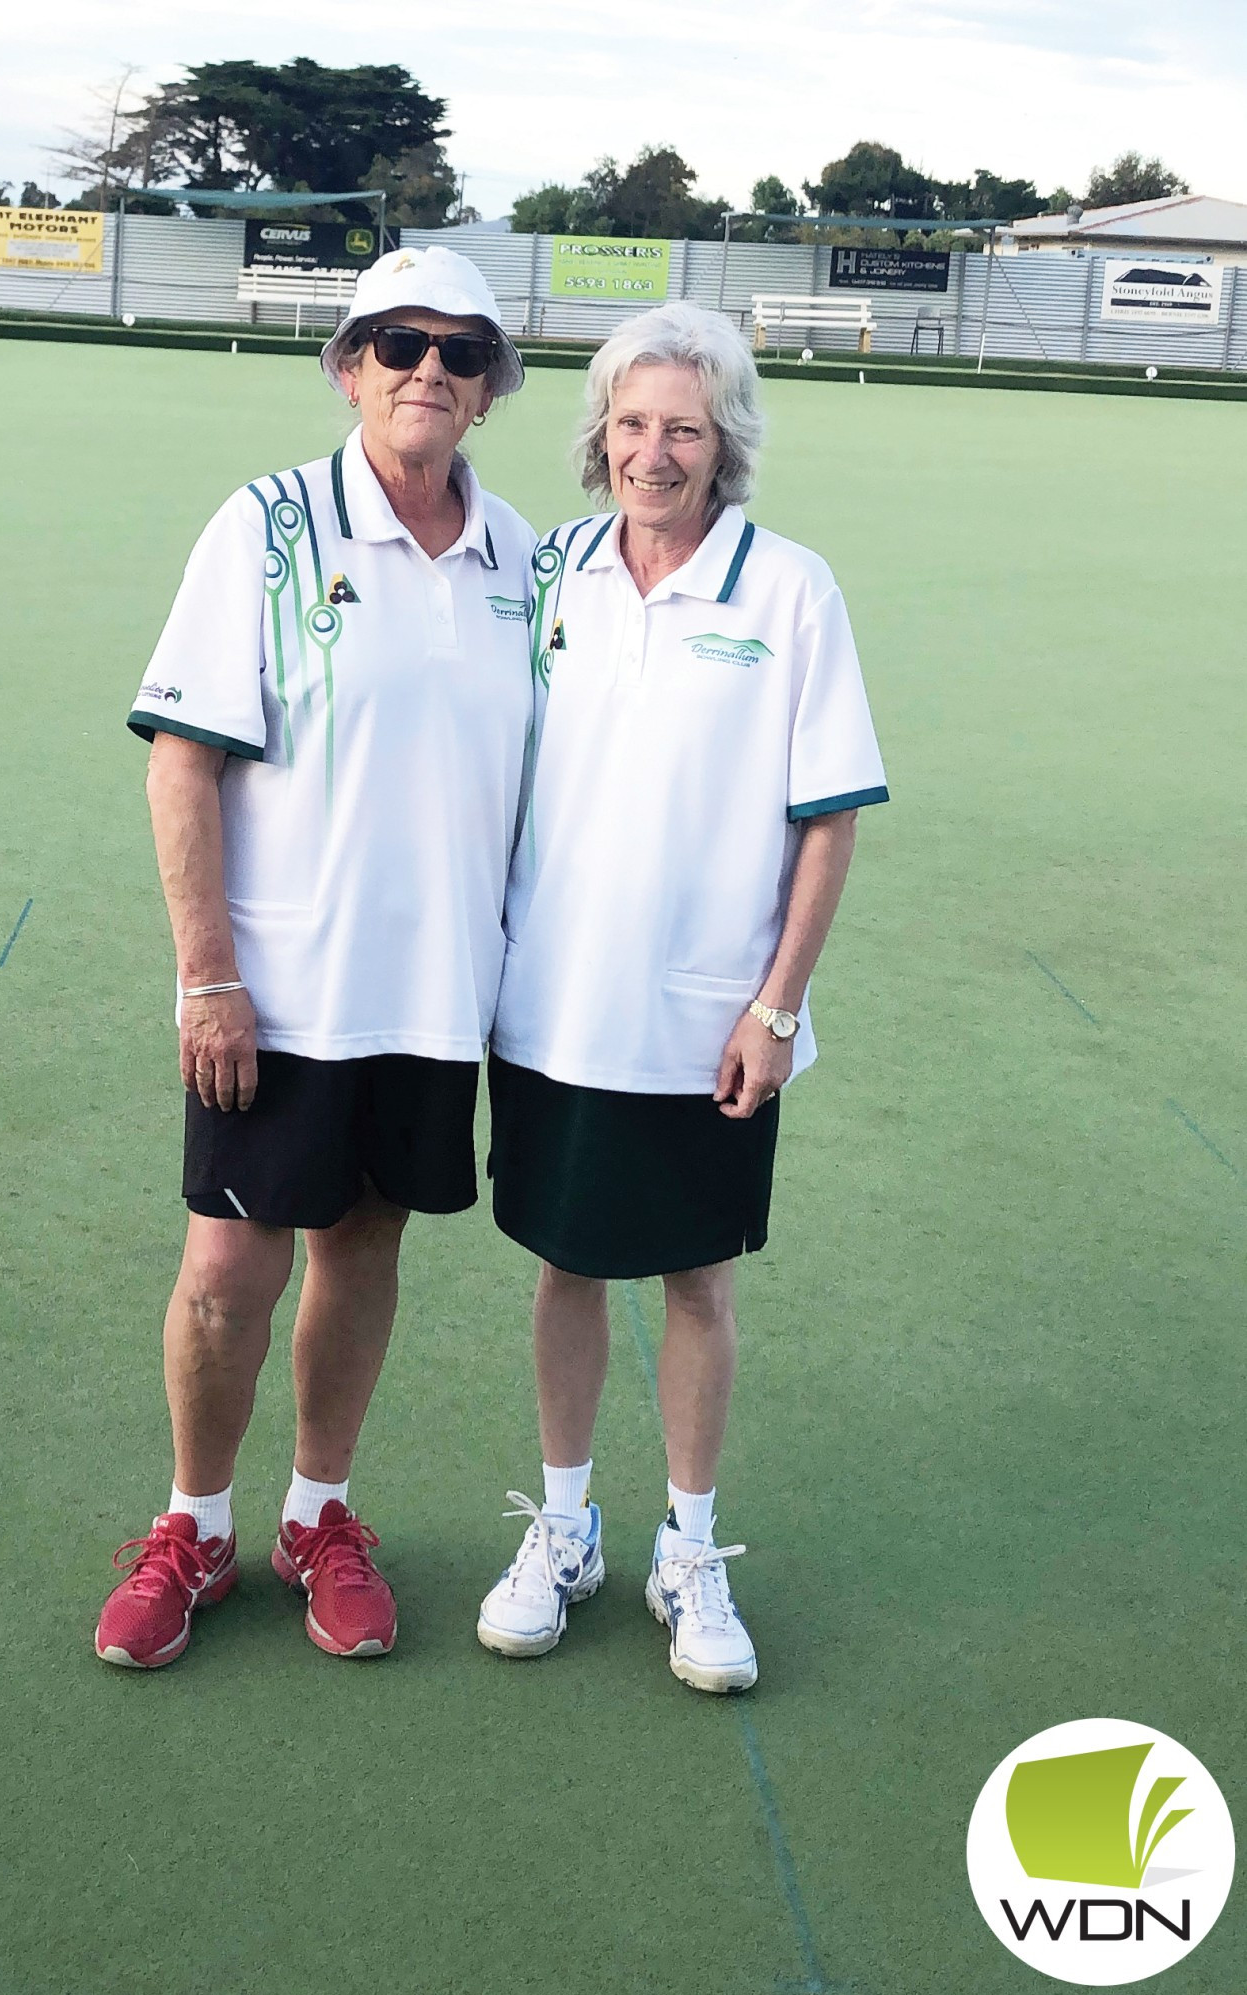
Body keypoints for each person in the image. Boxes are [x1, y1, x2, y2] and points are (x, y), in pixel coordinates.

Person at [96, 246, 535, 1669]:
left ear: (487, 390)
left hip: (435, 997)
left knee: (364, 1248)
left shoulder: (525, 557)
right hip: (277, 994)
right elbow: (183, 764)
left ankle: (318, 1517)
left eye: (461, 350)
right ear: (350, 365)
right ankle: (196, 1525)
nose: (429, 368)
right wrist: (207, 974)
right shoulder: (267, 526)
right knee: (230, 1269)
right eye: (398, 342)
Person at [476, 300, 888, 1694]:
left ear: (727, 447)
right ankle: (567, 1529)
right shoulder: (552, 573)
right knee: (565, 1265)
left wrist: (775, 1008)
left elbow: (826, 823)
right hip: (554, 1002)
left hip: (712, 1013)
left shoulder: (791, 590)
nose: (655, 454)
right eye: (635, 425)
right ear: (601, 436)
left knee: (696, 1278)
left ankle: (690, 1549)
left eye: (686, 431)